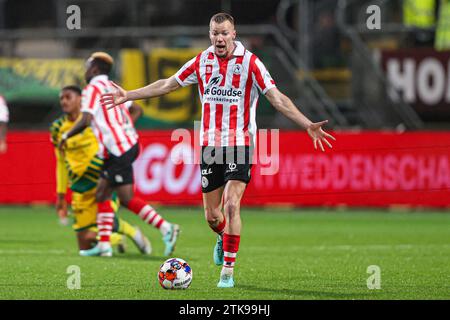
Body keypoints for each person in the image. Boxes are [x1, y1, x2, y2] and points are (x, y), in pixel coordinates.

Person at [101, 13, 335, 287]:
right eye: (214, 33)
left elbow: (277, 98)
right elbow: (168, 84)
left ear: (234, 33)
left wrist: (307, 124)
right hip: (210, 147)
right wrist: (128, 94)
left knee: (232, 204)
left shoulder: (251, 63)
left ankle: (227, 271)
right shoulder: (202, 61)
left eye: (224, 33)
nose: (219, 38)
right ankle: (221, 236)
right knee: (213, 217)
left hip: (241, 144)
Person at [59, 52, 180, 257]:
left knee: (106, 194)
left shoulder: (91, 89)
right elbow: (137, 109)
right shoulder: (114, 87)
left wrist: (66, 135)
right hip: (123, 146)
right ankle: (110, 244)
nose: (86, 71)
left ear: (95, 69)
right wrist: (124, 127)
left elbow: (86, 119)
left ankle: (163, 229)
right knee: (119, 196)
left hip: (118, 149)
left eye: (88, 67)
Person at [51, 85, 152, 255]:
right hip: (80, 186)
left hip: (102, 178)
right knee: (85, 242)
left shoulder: (95, 120)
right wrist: (61, 195)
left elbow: (136, 110)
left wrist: (123, 131)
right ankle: (122, 236)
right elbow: (60, 161)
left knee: (105, 221)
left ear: (81, 100)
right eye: (61, 98)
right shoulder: (57, 128)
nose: (64, 101)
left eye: (68, 97)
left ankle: (132, 234)